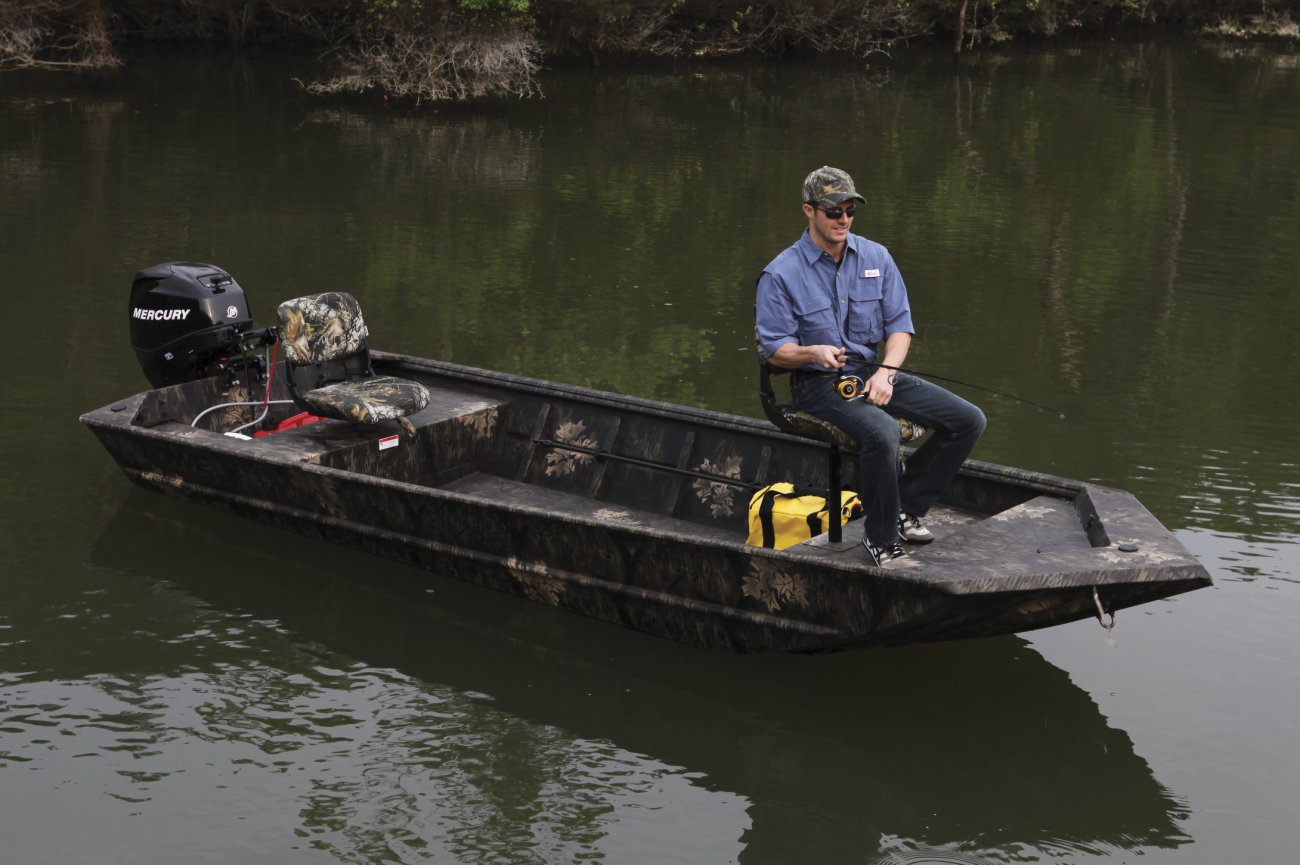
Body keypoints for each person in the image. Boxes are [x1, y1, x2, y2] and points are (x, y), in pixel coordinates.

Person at [754, 166, 986, 565]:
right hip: (816, 384)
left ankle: (904, 507)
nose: (843, 219)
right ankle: (880, 540)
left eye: (849, 210)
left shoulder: (877, 256)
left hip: (872, 374)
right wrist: (812, 353)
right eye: (833, 211)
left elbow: (900, 328)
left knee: (969, 419)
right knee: (882, 432)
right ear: (809, 211)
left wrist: (886, 373)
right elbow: (774, 351)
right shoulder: (780, 274)